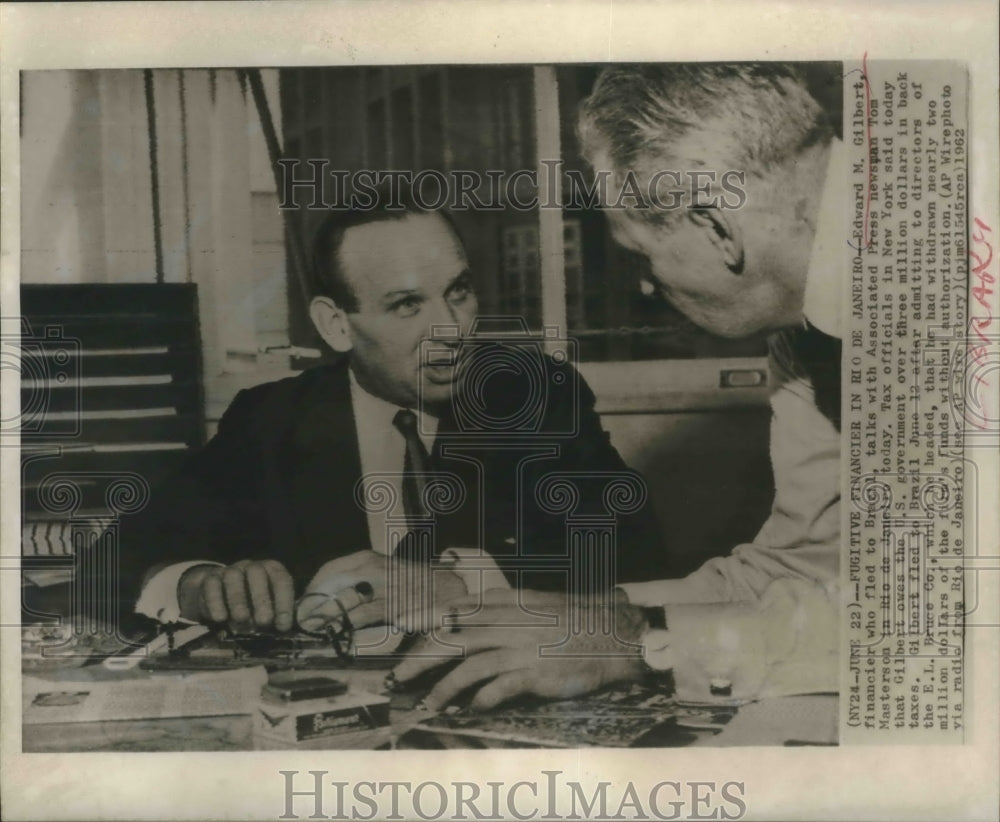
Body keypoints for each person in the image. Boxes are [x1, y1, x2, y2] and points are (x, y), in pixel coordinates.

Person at [391, 63, 843, 708]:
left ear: (717, 228)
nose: (643, 286)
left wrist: (643, 643)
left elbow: (942, 630)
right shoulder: (804, 324)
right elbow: (797, 570)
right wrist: (589, 612)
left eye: (640, 254)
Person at [87, 183, 667, 638]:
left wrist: (460, 584)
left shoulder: (536, 396)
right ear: (335, 324)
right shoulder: (270, 421)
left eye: (458, 291)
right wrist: (194, 585)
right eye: (408, 304)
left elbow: (639, 556)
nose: (452, 330)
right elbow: (107, 562)